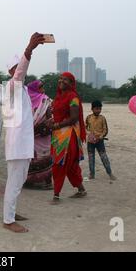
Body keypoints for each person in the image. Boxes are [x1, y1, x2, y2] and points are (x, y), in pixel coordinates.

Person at [2, 33, 47, 233]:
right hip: (18, 144)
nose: (21, 71)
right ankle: (8, 220)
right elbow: (20, 72)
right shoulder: (13, 85)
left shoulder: (22, 89)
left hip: (22, 144)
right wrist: (29, 49)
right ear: (12, 71)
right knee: (14, 182)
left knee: (18, 181)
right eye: (17, 68)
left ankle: (10, 212)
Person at [48, 72, 87, 204]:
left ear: (71, 83)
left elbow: (74, 118)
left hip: (68, 136)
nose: (61, 81)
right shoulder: (58, 97)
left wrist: (57, 125)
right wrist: (51, 122)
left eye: (65, 79)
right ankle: (81, 190)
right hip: (58, 134)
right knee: (70, 165)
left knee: (61, 163)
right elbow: (56, 114)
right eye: (60, 79)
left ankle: (56, 195)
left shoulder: (73, 97)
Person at [24, 80, 53, 190]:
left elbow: (50, 117)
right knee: (32, 158)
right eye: (40, 87)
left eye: (43, 86)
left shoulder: (45, 100)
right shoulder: (27, 100)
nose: (43, 89)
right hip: (32, 135)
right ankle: (30, 180)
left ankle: (48, 181)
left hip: (41, 134)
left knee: (44, 156)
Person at [85, 100, 116, 181]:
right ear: (92, 109)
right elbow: (85, 128)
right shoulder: (88, 117)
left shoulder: (102, 118)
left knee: (104, 157)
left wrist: (101, 136)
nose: (98, 110)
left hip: (100, 142)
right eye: (96, 109)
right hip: (90, 142)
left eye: (99, 109)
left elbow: (105, 130)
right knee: (91, 158)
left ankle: (110, 173)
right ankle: (92, 174)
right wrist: (89, 135)